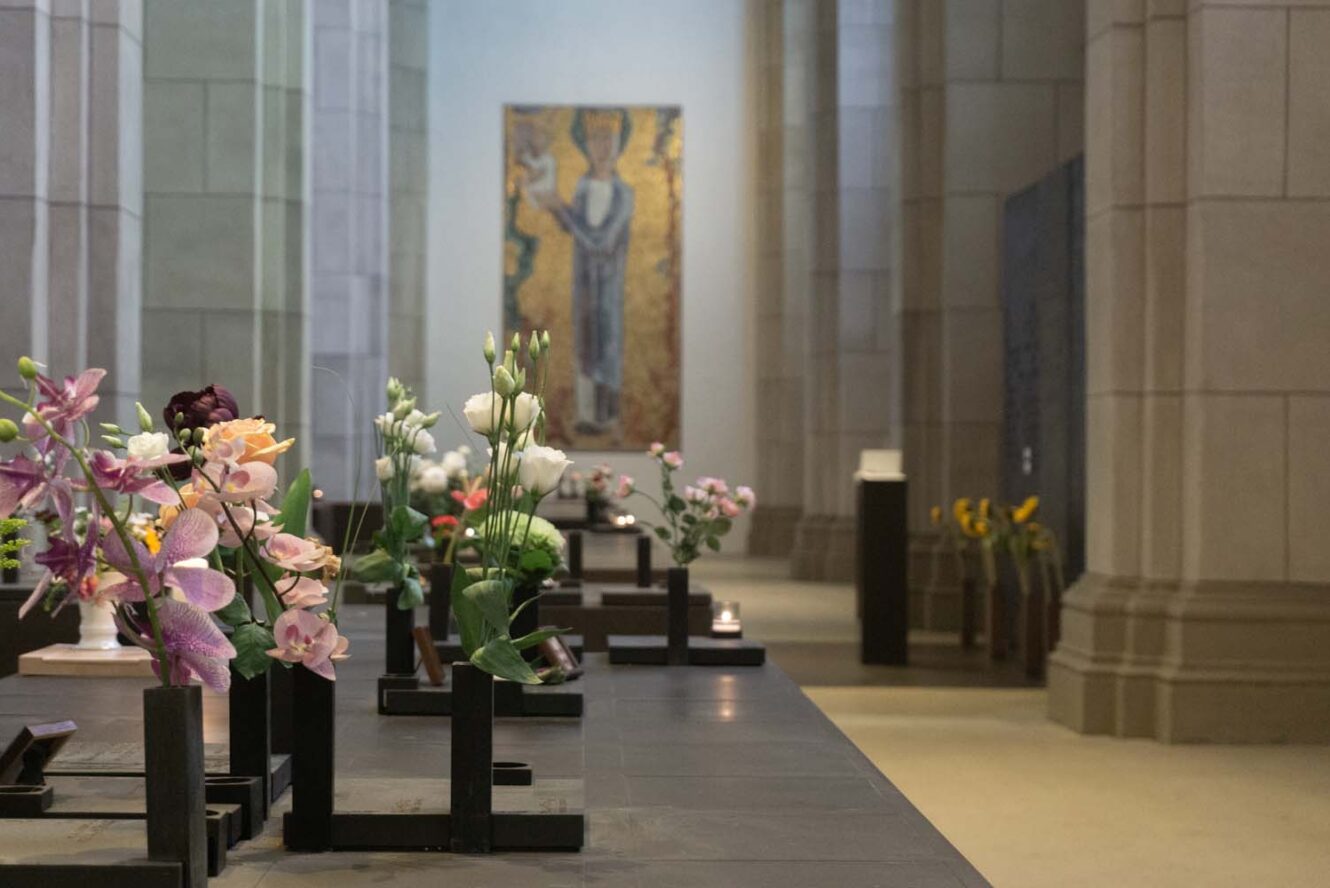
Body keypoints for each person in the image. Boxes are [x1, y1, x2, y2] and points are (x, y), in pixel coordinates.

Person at [533, 110, 634, 435]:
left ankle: (608, 416)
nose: (602, 145)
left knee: (607, 342)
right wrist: (553, 207)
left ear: (620, 143)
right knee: (585, 341)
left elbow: (601, 241)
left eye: (609, 138)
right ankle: (587, 414)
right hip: (584, 283)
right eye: (595, 138)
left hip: (608, 283)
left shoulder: (624, 194)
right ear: (585, 144)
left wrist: (562, 208)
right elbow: (573, 225)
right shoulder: (582, 186)